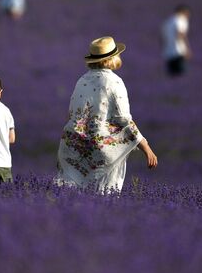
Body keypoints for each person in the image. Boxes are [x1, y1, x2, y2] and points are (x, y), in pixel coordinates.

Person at [55, 36, 158, 193]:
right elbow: (125, 121)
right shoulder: (115, 82)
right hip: (102, 152)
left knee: (73, 198)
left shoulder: (81, 80)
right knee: (103, 196)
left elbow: (71, 114)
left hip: (73, 148)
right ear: (112, 58)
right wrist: (146, 147)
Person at [160, 4, 191, 76]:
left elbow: (163, 39)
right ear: (183, 12)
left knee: (172, 76)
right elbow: (181, 34)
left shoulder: (167, 22)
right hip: (178, 52)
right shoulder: (181, 20)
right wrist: (186, 50)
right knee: (181, 75)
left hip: (168, 54)